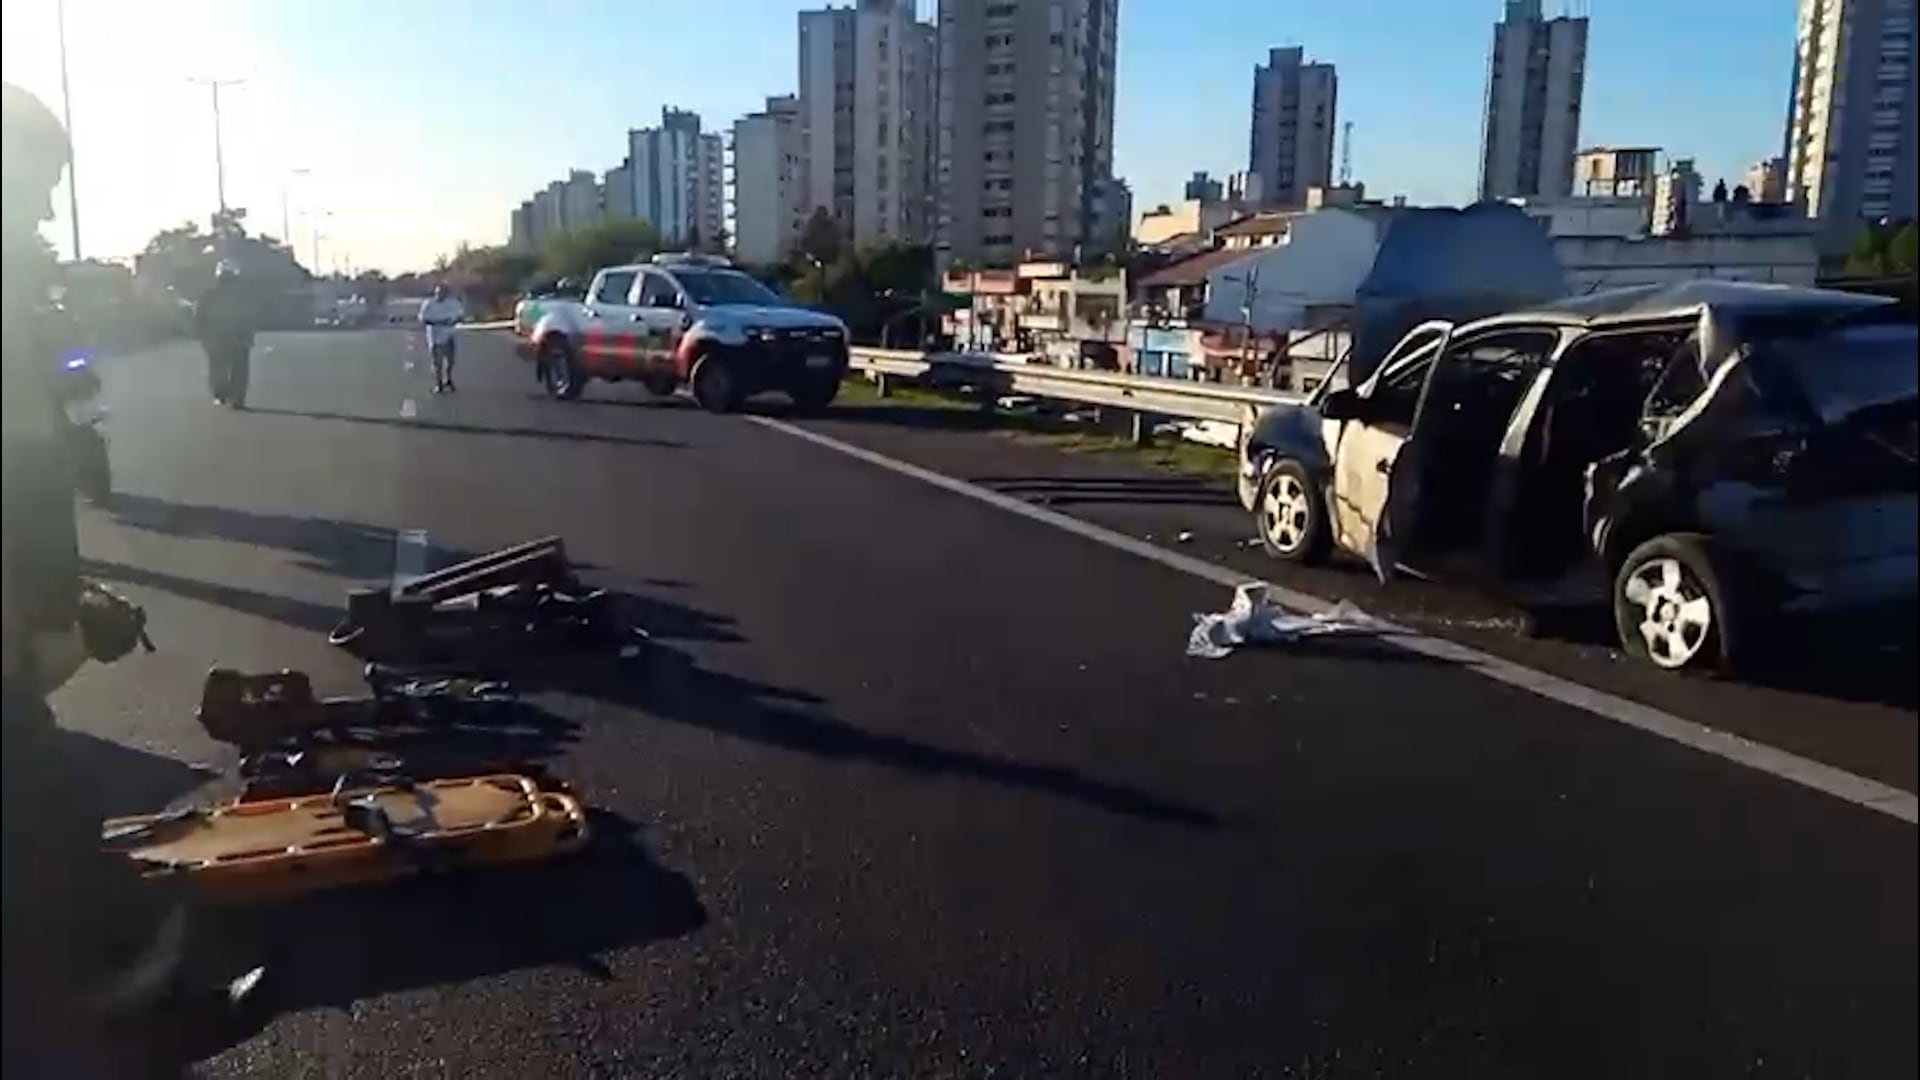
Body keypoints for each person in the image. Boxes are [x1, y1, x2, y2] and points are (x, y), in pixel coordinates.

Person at [195, 260, 257, 408]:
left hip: (230, 336)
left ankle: (231, 396)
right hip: (223, 337)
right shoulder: (212, 295)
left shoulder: (238, 295)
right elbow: (200, 315)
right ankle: (228, 396)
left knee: (227, 368)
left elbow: (250, 315)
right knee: (225, 368)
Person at [419, 282, 465, 393]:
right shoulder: (428, 304)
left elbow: (461, 316)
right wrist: (438, 322)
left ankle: (448, 380)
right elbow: (423, 319)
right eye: (438, 293)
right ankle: (438, 384)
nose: (440, 295)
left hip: (449, 335)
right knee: (437, 363)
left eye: (443, 293)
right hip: (435, 336)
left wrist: (454, 321)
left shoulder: (453, 303)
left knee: (450, 361)